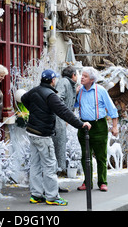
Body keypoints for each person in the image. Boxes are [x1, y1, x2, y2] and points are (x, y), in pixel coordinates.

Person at [21, 69, 91, 206]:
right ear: (53, 80)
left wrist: (36, 111)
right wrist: (81, 124)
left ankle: (36, 195)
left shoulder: (35, 90)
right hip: (43, 134)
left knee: (35, 165)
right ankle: (52, 197)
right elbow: (64, 112)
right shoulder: (51, 96)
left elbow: (23, 99)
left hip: (32, 132)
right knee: (49, 165)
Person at [75, 66, 118, 192]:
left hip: (99, 126)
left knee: (101, 156)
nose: (81, 77)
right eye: (81, 75)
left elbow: (112, 109)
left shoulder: (101, 91)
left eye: (85, 76)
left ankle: (102, 182)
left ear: (92, 80)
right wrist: (75, 93)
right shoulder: (80, 91)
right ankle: (87, 182)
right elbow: (73, 105)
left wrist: (115, 127)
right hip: (83, 126)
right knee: (85, 156)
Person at [53, 66, 78, 175]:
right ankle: (53, 184)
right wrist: (65, 115)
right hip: (58, 120)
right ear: (73, 75)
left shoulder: (68, 83)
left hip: (61, 120)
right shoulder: (64, 82)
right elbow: (58, 99)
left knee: (59, 149)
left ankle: (55, 183)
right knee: (58, 148)